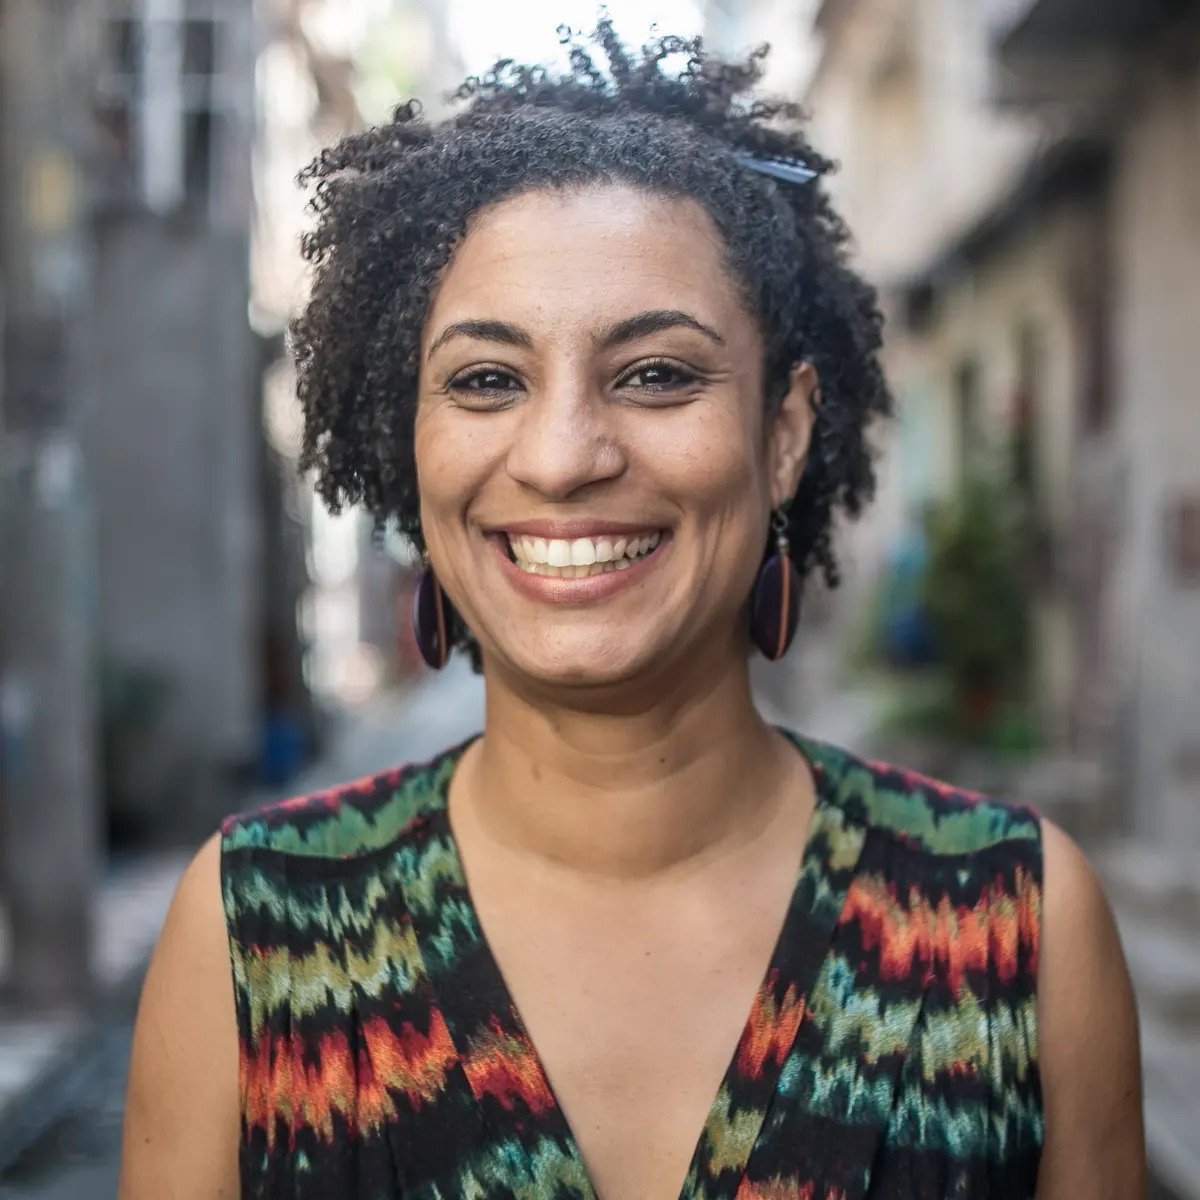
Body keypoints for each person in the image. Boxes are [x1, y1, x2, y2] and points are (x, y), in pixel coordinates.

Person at [118, 24, 1145, 1200]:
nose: (561, 458)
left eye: (657, 373)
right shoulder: (255, 937)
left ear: (784, 433)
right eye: (487, 381)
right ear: (413, 440)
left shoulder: (1017, 934)